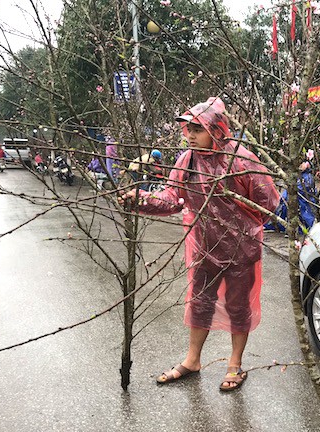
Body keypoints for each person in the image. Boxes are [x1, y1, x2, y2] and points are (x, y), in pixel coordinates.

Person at [119, 97, 279, 391]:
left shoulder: (240, 159)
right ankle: (193, 361)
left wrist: (241, 219)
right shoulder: (187, 160)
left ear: (216, 129)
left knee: (238, 306)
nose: (190, 134)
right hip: (204, 247)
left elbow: (269, 201)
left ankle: (235, 364)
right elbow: (171, 198)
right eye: (188, 128)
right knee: (200, 304)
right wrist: (140, 200)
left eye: (197, 128)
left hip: (240, 250)